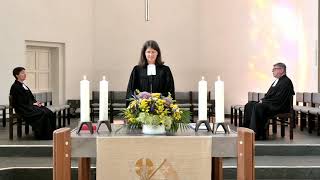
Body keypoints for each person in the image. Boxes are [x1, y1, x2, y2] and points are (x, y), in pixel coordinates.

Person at [243, 62, 295, 140]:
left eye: (274, 69)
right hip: (272, 103)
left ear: (281, 70)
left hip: (279, 106)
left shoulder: (286, 82)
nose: (272, 71)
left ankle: (257, 133)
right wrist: (262, 100)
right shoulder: (277, 81)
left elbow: (279, 99)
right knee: (249, 105)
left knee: (258, 106)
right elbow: (268, 95)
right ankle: (247, 130)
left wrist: (263, 102)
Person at [10, 67, 56, 140]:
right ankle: (42, 135)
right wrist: (32, 104)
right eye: (22, 73)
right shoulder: (15, 86)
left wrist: (36, 102)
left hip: (29, 106)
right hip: (22, 108)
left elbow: (31, 97)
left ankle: (52, 133)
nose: (25, 74)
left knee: (48, 111)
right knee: (42, 113)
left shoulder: (24, 85)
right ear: (17, 75)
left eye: (25, 72)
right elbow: (19, 102)